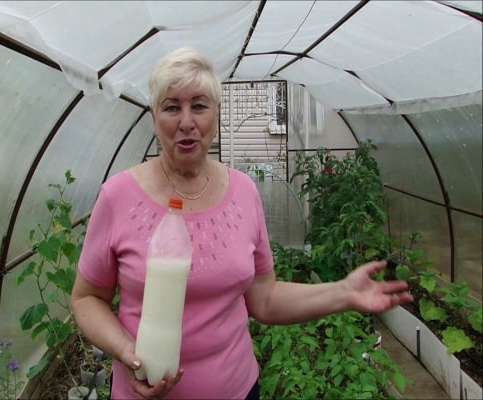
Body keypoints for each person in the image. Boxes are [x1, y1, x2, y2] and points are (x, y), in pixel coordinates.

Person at [70, 46, 413, 400]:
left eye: (199, 105)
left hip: (237, 389)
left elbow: (264, 299)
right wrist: (126, 351)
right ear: (154, 119)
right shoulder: (119, 195)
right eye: (172, 107)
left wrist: (343, 292)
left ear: (217, 115)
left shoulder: (243, 192)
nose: (186, 121)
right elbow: (86, 299)